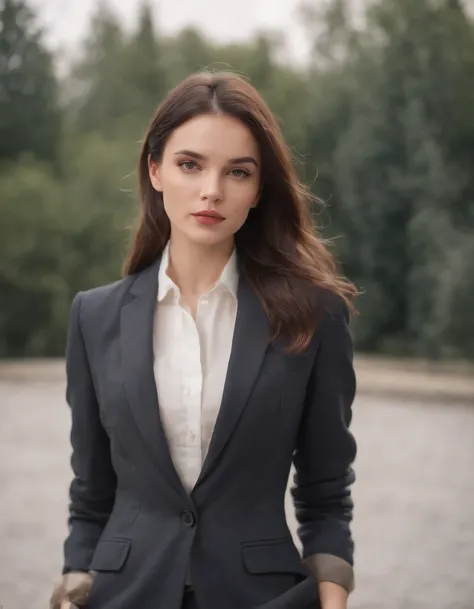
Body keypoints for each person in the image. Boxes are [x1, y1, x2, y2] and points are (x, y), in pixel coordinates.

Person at [49, 71, 359, 609]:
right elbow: (92, 490)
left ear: (259, 189)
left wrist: (333, 594)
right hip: (124, 595)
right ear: (155, 169)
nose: (211, 190)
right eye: (190, 164)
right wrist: (77, 576)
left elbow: (326, 490)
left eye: (237, 172)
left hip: (261, 596)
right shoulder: (93, 317)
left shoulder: (315, 316)